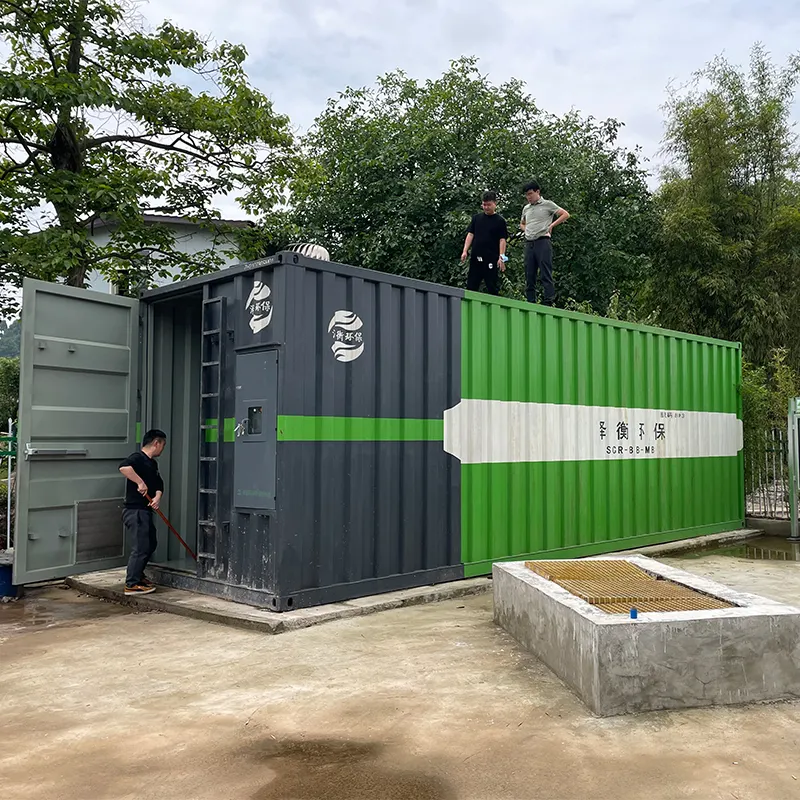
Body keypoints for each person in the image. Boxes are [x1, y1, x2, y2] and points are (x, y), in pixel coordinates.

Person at [119, 429, 167, 595]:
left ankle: (139, 576)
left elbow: (159, 484)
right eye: (163, 445)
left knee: (150, 543)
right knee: (141, 547)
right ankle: (131, 583)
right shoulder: (137, 458)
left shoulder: (152, 464)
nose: (163, 449)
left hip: (146, 510)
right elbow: (124, 468)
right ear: (156, 443)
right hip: (135, 511)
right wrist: (139, 482)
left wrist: (157, 497)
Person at [520, 181, 570, 305]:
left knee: (545, 271)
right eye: (527, 195)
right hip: (529, 242)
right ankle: (530, 300)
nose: (529, 197)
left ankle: (548, 300)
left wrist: (551, 225)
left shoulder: (547, 204)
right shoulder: (526, 208)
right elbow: (522, 223)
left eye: (530, 194)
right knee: (529, 273)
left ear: (537, 192)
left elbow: (565, 214)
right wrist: (526, 229)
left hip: (542, 241)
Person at [460, 191, 509, 295]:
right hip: (476, 257)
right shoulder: (476, 218)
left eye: (489, 205)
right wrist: (465, 250)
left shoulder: (500, 221)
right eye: (484, 205)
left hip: (491, 257)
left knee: (492, 286)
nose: (486, 207)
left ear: (495, 204)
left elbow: (502, 240)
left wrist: (502, 257)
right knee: (471, 286)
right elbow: (470, 234)